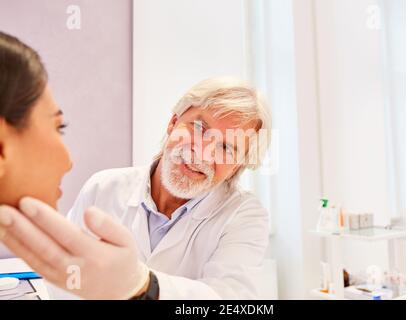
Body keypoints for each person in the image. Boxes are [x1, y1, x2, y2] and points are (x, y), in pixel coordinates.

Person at [0, 31, 272, 299]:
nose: (202, 152)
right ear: (173, 122)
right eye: (199, 127)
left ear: (236, 167)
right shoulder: (104, 187)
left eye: (226, 147)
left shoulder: (243, 216)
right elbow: (63, 280)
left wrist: (143, 286)